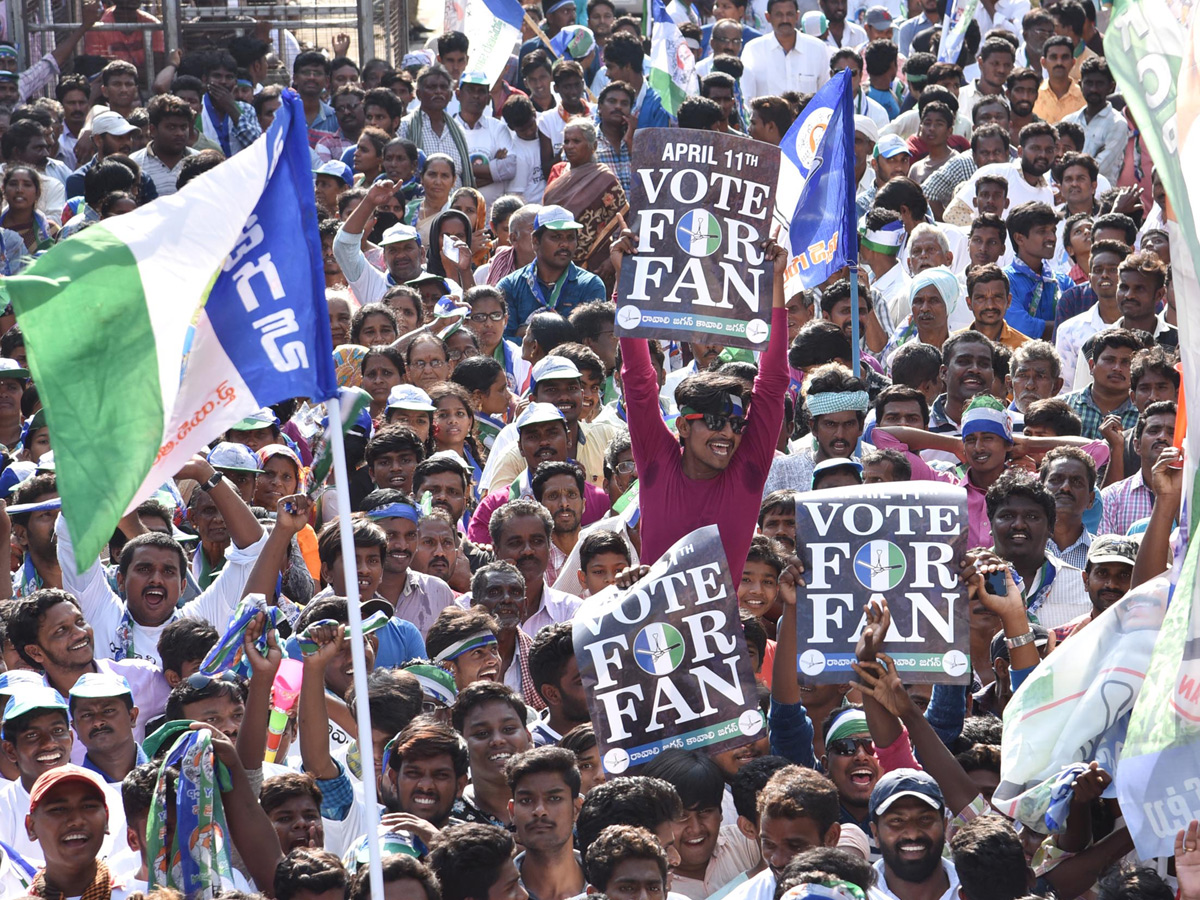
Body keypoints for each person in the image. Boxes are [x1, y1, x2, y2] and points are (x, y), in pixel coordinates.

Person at [612, 225, 788, 584]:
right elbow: (639, 383)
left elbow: (771, 384)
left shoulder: (747, 472)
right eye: (714, 421)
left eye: (737, 424)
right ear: (682, 426)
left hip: (721, 636)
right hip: (653, 632)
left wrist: (774, 282)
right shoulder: (656, 461)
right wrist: (626, 281)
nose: (729, 432)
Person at [987, 470, 1091, 628]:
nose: (1019, 525)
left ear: (1050, 528)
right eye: (1007, 516)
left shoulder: (1081, 587)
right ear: (991, 524)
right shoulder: (967, 582)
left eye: (1032, 517)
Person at [498, 206, 607, 339]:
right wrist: (564, 333)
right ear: (535, 241)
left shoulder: (590, 285)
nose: (565, 244)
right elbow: (504, 342)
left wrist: (531, 334)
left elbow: (590, 343)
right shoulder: (510, 285)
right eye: (556, 237)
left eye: (570, 237)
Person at [542, 118, 628, 281]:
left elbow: (627, 220)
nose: (569, 146)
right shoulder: (559, 174)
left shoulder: (604, 179)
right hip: (554, 264)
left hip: (594, 266)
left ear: (593, 146)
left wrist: (612, 259)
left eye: (576, 141)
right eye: (566, 141)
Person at [507, 747, 586, 900]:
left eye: (554, 798)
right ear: (512, 811)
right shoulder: (491, 892)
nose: (539, 810)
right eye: (526, 800)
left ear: (576, 808)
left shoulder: (610, 888)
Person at [1099, 401, 1175, 536]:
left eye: (1172, 432)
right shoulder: (1112, 497)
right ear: (1137, 446)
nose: (1162, 437)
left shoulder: (1194, 496)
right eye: (1154, 431)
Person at [1003, 201, 1073, 341]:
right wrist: (1066, 328)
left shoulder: (1063, 281)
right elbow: (1021, 328)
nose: (1052, 238)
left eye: (1053, 230)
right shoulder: (1003, 280)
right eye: (1042, 231)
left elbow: (1081, 324)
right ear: (1019, 238)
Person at [1062, 328, 1140, 440]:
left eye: (1126, 362)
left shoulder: (1143, 415)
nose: (1117, 368)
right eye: (1109, 360)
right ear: (1092, 365)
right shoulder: (1063, 407)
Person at [129, 93, 197, 196]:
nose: (180, 133)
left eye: (183, 127)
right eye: (171, 127)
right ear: (153, 130)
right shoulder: (134, 163)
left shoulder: (199, 161)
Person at [956, 264, 1030, 351]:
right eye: (981, 298)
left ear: (1008, 301)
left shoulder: (1025, 349)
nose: (990, 305)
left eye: (997, 297)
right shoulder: (954, 344)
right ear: (969, 303)